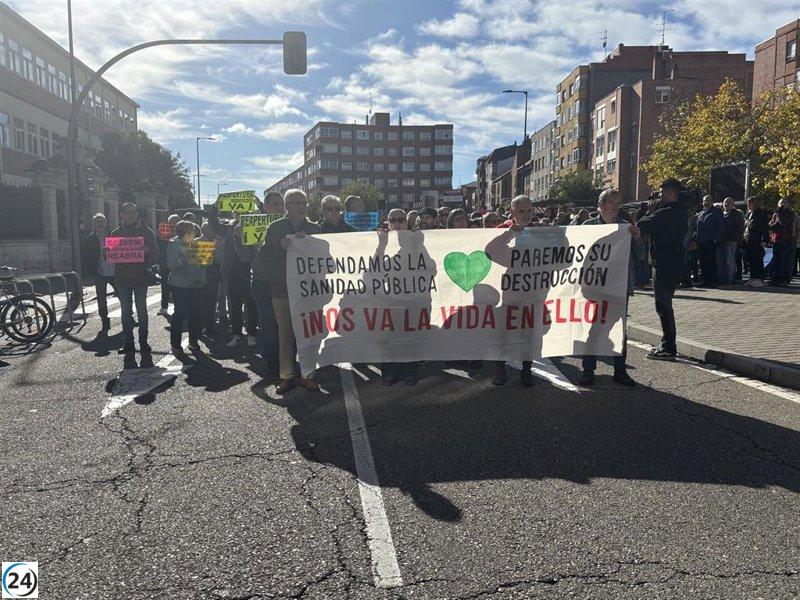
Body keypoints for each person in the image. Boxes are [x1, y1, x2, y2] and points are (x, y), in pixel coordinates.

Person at [579, 189, 642, 386]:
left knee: (619, 330)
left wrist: (638, 238)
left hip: (619, 287)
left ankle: (620, 370)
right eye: (611, 202)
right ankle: (588, 370)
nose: (615, 206)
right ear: (601, 205)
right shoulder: (587, 226)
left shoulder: (626, 227)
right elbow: (577, 255)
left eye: (618, 202)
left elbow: (640, 256)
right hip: (594, 287)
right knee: (593, 329)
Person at [264, 189, 322, 393]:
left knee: (309, 334)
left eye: (304, 202)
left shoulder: (315, 229)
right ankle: (287, 376)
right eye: (296, 203)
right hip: (282, 290)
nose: (301, 206)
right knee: (286, 335)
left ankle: (308, 375)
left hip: (309, 292)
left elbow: (326, 259)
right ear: (287, 207)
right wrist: (280, 247)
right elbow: (264, 259)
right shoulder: (275, 228)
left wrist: (309, 245)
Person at [631, 178, 688, 360]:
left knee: (662, 305)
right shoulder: (681, 211)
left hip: (664, 263)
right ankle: (668, 343)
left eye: (662, 192)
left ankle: (669, 346)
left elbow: (642, 225)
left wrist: (648, 211)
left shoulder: (667, 212)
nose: (659, 196)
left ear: (671, 193)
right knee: (665, 304)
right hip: (673, 261)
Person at [234, 192, 284, 381]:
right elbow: (246, 257)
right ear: (265, 206)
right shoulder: (252, 225)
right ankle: (273, 365)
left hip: (286, 282)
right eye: (276, 204)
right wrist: (238, 238)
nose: (280, 208)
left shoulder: (288, 225)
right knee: (269, 324)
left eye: (282, 204)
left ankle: (287, 360)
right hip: (263, 282)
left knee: (286, 324)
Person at [493, 195, 535, 386]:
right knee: (504, 331)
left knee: (528, 332)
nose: (526, 215)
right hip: (509, 289)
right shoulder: (503, 229)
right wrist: (510, 233)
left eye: (529, 211)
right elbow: (490, 249)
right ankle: (500, 369)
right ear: (512, 212)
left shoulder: (541, 230)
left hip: (533, 290)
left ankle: (527, 370)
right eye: (521, 211)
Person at [110, 202, 159, 354]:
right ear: (121, 215)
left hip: (140, 277)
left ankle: (143, 342)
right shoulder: (115, 233)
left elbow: (156, 253)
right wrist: (106, 252)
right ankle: (128, 343)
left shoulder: (147, 232)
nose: (130, 215)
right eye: (127, 213)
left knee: (142, 311)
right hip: (122, 278)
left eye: (133, 212)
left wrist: (148, 250)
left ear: (137, 214)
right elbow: (110, 255)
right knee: (126, 312)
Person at [208, 204, 258, 347]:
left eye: (245, 213)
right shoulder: (229, 228)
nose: (241, 215)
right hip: (232, 271)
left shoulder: (253, 226)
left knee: (252, 304)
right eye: (239, 213)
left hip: (251, 269)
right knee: (235, 304)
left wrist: (260, 205)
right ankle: (236, 334)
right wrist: (214, 208)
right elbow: (214, 225)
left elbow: (267, 220)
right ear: (235, 215)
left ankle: (251, 334)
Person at [167, 220, 205, 353]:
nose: (194, 232)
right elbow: (172, 265)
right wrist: (184, 258)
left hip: (197, 283)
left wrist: (208, 257)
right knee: (180, 313)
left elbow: (204, 263)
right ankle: (175, 344)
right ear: (183, 232)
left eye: (194, 230)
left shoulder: (198, 243)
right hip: (180, 285)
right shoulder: (174, 244)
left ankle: (193, 341)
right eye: (191, 230)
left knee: (196, 313)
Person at [82, 213, 116, 333]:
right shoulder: (90, 239)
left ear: (106, 222)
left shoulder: (113, 235)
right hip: (99, 273)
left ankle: (129, 318)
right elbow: (86, 256)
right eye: (97, 222)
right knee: (101, 299)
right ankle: (105, 321)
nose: (100, 224)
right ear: (93, 224)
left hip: (115, 272)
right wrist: (91, 271)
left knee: (124, 296)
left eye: (102, 221)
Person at [695, 195, 724, 287]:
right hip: (701, 240)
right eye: (704, 201)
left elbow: (720, 226)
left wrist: (717, 238)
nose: (706, 203)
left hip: (710, 240)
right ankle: (704, 280)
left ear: (712, 202)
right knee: (702, 261)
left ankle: (712, 280)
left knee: (711, 261)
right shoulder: (700, 213)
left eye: (708, 201)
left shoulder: (716, 212)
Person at [199, 221, 221, 334]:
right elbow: (195, 260)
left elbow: (220, 259)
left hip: (213, 275)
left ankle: (210, 326)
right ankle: (201, 325)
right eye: (206, 229)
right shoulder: (197, 242)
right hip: (200, 276)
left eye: (210, 229)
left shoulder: (218, 242)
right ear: (202, 231)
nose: (209, 231)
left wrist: (215, 251)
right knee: (202, 302)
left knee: (212, 302)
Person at [716, 197, 745, 286]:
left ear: (733, 204)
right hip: (721, 240)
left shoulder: (737, 214)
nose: (727, 204)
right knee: (720, 260)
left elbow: (740, 228)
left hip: (731, 240)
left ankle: (729, 279)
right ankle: (721, 278)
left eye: (729, 203)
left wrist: (736, 238)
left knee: (729, 260)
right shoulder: (721, 214)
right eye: (725, 202)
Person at [157, 213, 180, 317]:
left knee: (177, 286)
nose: (174, 225)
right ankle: (164, 307)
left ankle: (178, 307)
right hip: (165, 263)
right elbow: (158, 247)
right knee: (165, 285)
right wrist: (159, 236)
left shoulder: (183, 234)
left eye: (176, 222)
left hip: (178, 264)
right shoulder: (162, 234)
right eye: (172, 223)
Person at [768, 198, 796, 287]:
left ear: (787, 205)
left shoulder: (791, 214)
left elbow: (783, 223)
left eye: (784, 202)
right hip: (776, 239)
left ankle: (785, 279)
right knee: (776, 260)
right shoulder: (775, 214)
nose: (782, 204)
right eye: (781, 202)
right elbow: (770, 225)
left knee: (785, 261)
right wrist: (775, 224)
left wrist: (778, 218)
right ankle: (776, 278)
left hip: (786, 240)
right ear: (778, 204)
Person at [743, 196, 770, 287]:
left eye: (749, 203)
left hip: (757, 240)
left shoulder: (761, 214)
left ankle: (758, 278)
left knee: (757, 259)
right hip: (749, 240)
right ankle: (752, 277)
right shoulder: (750, 214)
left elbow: (765, 228)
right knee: (750, 259)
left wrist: (764, 240)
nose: (748, 205)